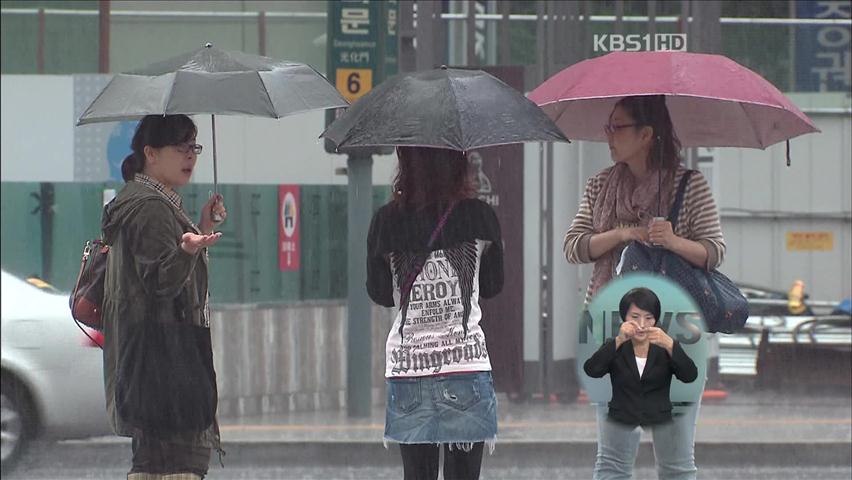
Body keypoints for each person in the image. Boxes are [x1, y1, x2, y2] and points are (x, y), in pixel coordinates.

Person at [564, 95, 726, 480]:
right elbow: (574, 246)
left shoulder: (689, 185)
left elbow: (713, 252)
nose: (608, 136)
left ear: (646, 134)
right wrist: (621, 233)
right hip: (610, 331)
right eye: (608, 126)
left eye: (617, 127)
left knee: (674, 463)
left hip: (676, 337)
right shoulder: (600, 185)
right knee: (612, 461)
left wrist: (671, 241)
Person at [101, 114, 227, 479]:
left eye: (194, 146)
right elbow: (160, 283)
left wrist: (201, 229)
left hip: (151, 363)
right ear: (151, 154)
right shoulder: (151, 208)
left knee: (154, 462)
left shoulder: (150, 202)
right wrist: (188, 251)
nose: (191, 155)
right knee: (180, 462)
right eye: (181, 147)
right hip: (166, 363)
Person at [366, 146, 504, 480]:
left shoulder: (386, 219)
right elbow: (492, 285)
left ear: (405, 161)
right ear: (460, 162)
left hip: (409, 367)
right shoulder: (480, 216)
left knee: (417, 475)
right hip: (465, 365)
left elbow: (380, 293)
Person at [584, 288, 698, 477]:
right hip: (621, 414)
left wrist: (670, 344)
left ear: (656, 320)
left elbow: (689, 375)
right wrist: (619, 340)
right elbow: (592, 369)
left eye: (648, 318)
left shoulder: (664, 347)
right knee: (611, 465)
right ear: (624, 317)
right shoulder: (616, 346)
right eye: (634, 317)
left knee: (677, 466)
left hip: (661, 416)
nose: (641, 325)